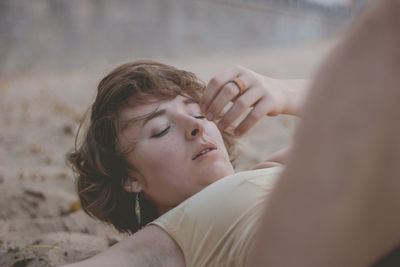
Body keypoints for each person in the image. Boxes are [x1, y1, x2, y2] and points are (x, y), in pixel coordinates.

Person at [65, 60, 307, 267]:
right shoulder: (168, 238)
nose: (196, 126)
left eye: (198, 113)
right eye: (161, 130)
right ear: (130, 179)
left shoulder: (273, 168)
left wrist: (285, 93)